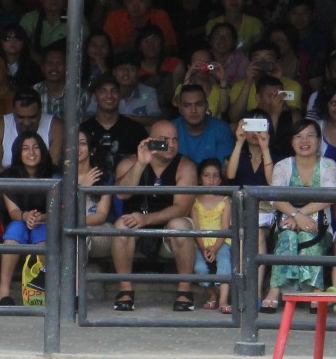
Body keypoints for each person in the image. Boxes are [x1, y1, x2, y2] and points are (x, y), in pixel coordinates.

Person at [108, 121, 200, 312]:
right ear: (150, 141)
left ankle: (184, 291)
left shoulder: (185, 166)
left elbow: (181, 208)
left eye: (175, 139)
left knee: (180, 226)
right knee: (121, 225)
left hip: (168, 225)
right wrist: (141, 164)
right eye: (163, 140)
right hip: (135, 224)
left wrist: (146, 219)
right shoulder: (129, 162)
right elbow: (122, 194)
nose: (171, 145)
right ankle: (126, 290)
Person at [263, 119, 336, 309]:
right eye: (298, 136)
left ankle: (315, 289)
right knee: (287, 235)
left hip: (320, 224)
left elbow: (330, 196)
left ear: (319, 140)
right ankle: (275, 289)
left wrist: (300, 214)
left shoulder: (328, 165)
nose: (304, 141)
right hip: (286, 221)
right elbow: (275, 197)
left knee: (308, 234)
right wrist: (296, 215)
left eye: (310, 135)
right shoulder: (282, 165)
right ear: (292, 142)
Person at [0, 131, 55, 305]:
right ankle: (4, 292)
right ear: (18, 153)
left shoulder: (55, 174)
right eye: (25, 148)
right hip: (20, 220)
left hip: (46, 221)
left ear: (43, 151)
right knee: (13, 232)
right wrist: (26, 216)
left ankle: (44, 291)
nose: (31, 153)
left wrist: (41, 217)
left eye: (36, 148)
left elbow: (60, 209)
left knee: (42, 237)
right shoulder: (8, 176)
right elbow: (13, 210)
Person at [80, 75, 147, 178]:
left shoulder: (136, 129)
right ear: (94, 96)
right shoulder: (83, 130)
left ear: (120, 95)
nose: (109, 95)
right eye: (102, 91)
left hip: (128, 188)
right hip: (92, 187)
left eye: (114, 91)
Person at [193, 158, 235, 314]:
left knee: (224, 261)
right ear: (199, 179)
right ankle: (211, 294)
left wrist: (216, 247)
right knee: (199, 268)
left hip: (221, 240)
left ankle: (223, 299)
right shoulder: (195, 200)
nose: (211, 180)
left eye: (215, 176)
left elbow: (225, 227)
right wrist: (203, 247)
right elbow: (196, 228)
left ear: (220, 179)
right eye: (206, 175)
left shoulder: (225, 200)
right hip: (200, 243)